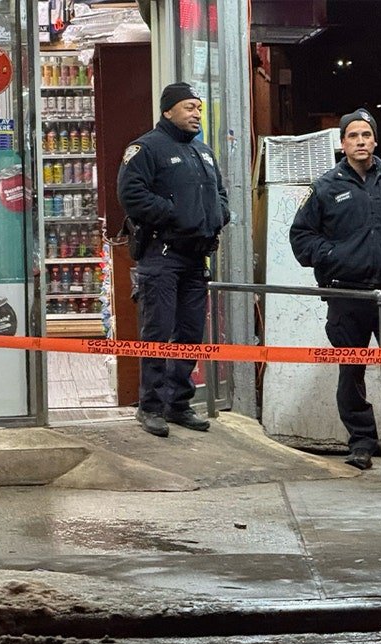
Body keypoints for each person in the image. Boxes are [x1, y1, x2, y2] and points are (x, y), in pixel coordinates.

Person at [289, 108, 381, 474]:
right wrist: (335, 257)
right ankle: (361, 443)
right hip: (347, 296)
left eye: (365, 135)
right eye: (352, 136)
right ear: (342, 143)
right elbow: (301, 238)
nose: (360, 141)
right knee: (350, 371)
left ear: (375, 140)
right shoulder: (325, 187)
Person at [117, 82, 230, 438]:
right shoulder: (147, 148)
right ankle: (150, 406)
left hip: (196, 259)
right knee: (157, 332)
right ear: (168, 111)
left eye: (199, 108)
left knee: (189, 334)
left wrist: (219, 214)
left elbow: (220, 193)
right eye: (189, 107)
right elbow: (131, 194)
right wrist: (174, 214)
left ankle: (178, 404)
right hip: (162, 257)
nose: (197, 114)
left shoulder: (203, 152)